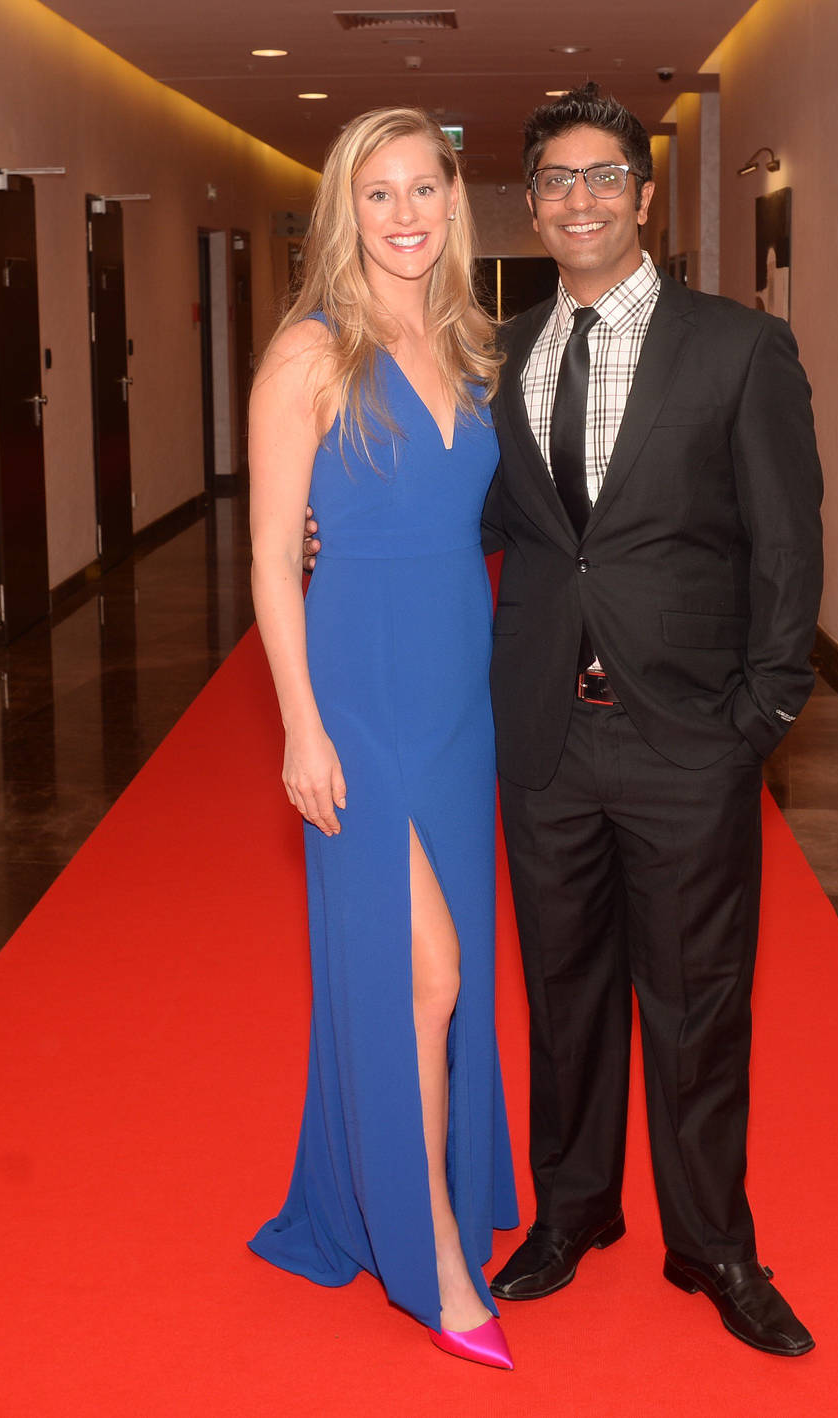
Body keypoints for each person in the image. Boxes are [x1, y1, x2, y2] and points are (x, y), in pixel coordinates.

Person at [477, 85, 823, 1357]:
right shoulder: (498, 353)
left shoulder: (736, 348)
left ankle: (714, 1242)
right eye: (556, 180)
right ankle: (572, 1211)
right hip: (546, 738)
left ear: (642, 193)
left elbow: (789, 544)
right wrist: (322, 525)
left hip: (688, 738)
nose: (579, 200)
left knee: (696, 999)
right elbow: (500, 526)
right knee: (562, 992)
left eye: (602, 177)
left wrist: (763, 710)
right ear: (533, 202)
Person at [246, 105, 519, 1371]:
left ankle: (382, 1194)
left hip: (460, 704)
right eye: (380, 194)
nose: (406, 216)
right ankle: (435, 1259)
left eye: (426, 191)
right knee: (433, 970)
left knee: (431, 975)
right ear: (343, 211)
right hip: (357, 698)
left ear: (454, 204)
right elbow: (270, 560)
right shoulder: (308, 354)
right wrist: (302, 725)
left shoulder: (468, 344)